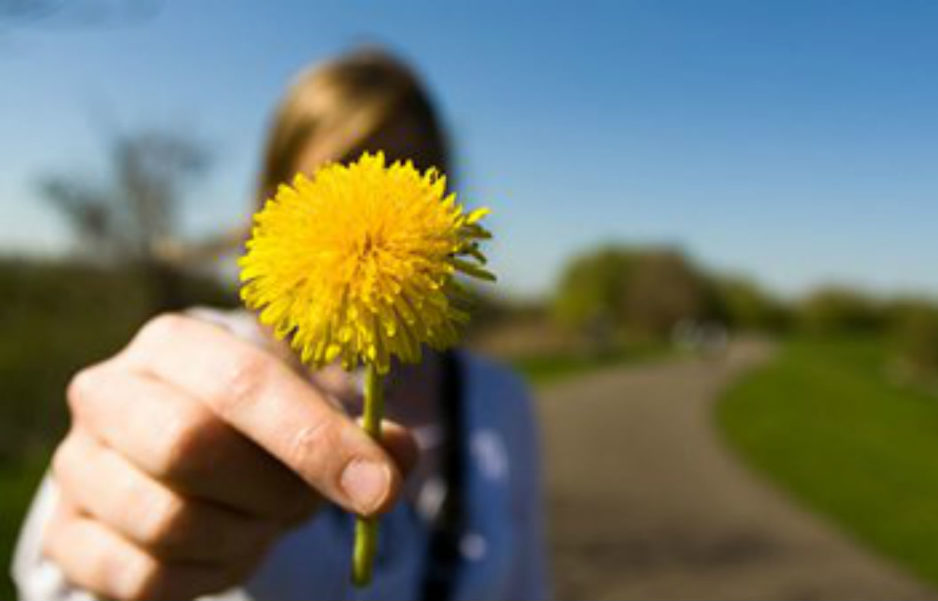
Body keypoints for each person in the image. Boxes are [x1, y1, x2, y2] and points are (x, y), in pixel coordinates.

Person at [12, 48, 550, 601]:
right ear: (274, 202)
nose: (380, 190)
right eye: (342, 171)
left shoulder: (499, 402)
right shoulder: (203, 365)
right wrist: (103, 531)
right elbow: (50, 578)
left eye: (412, 170)